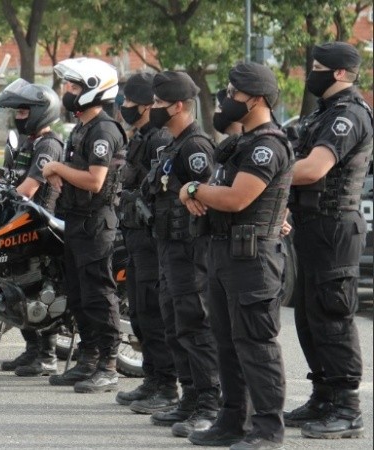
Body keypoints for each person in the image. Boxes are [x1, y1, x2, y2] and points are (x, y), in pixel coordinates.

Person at [179, 62, 292, 450]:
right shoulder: (239, 143)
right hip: (224, 254)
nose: (226, 99)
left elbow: (235, 197)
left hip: (253, 260)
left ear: (256, 99)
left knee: (256, 346)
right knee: (226, 343)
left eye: (233, 93)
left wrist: (192, 189)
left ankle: (267, 429)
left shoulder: (267, 145)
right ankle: (232, 422)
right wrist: (195, 190)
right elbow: (218, 189)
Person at [286, 41, 372, 440]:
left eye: (318, 66)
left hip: (335, 226)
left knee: (332, 315)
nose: (310, 72)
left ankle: (347, 407)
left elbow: (314, 169)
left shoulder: (348, 116)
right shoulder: (322, 114)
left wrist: (264, 173)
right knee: (308, 315)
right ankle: (323, 395)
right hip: (312, 226)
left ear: (340, 73)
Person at [41, 57, 127, 394]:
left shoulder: (104, 129)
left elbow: (95, 180)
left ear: (94, 90)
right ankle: (88, 358)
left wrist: (58, 170)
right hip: (75, 220)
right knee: (78, 296)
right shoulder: (81, 128)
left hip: (96, 223)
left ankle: (108, 364)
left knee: (98, 295)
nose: (67, 92)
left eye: (74, 87)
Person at [144, 71, 220, 436]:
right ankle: (190, 396)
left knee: (195, 324)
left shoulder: (195, 147)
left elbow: (206, 200)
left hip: (190, 251)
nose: (153, 108)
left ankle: (210, 402)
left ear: (178, 106)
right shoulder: (173, 144)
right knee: (175, 324)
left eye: (159, 103)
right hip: (168, 248)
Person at [112, 72, 178, 412]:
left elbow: (161, 190)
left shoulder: (159, 138)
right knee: (139, 312)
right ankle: (152, 378)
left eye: (129, 102)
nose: (123, 107)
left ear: (149, 104)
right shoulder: (141, 136)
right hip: (134, 236)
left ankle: (166, 387)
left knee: (153, 313)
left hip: (151, 240)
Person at [0, 78, 64, 377]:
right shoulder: (28, 142)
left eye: (24, 112)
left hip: (40, 224)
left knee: (35, 287)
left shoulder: (49, 144)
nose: (19, 117)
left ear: (41, 112)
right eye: (18, 112)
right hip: (19, 221)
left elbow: (30, 186)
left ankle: (47, 354)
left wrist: (10, 194)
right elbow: (11, 179)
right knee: (15, 286)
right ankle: (32, 349)